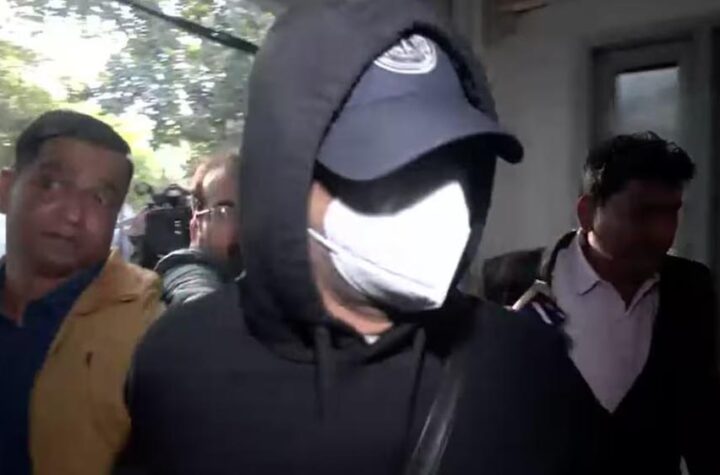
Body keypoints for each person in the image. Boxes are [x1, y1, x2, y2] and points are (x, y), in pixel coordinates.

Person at [121, 2, 596, 474]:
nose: (438, 204)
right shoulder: (178, 362)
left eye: (453, 163)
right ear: (283, 177)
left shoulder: (525, 366)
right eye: (381, 161)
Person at [509, 132, 720, 474]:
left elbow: (703, 421)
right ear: (587, 212)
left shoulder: (690, 288)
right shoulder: (509, 283)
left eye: (671, 213)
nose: (662, 232)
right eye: (643, 213)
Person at [0, 110, 164, 475]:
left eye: (100, 198)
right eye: (53, 184)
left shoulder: (149, 330)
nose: (74, 214)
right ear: (6, 190)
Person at [154, 153, 242, 306]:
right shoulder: (186, 271)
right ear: (198, 221)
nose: (245, 223)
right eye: (225, 212)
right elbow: (196, 296)